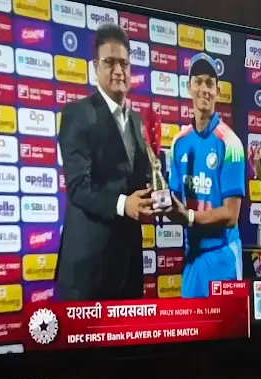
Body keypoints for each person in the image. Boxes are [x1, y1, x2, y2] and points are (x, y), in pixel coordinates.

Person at [55, 24, 153, 301]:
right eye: (110, 62)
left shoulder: (137, 121)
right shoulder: (77, 113)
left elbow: (138, 181)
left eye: (124, 63)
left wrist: (156, 195)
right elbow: (78, 187)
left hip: (129, 269)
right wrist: (124, 204)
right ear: (95, 67)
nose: (119, 70)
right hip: (89, 272)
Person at [164, 53, 245, 298]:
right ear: (189, 87)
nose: (204, 89)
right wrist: (159, 199)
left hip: (223, 257)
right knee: (190, 323)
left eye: (210, 83)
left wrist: (188, 217)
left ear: (217, 91)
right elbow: (174, 203)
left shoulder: (230, 143)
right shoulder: (178, 143)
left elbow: (231, 215)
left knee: (226, 325)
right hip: (192, 259)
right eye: (198, 81)